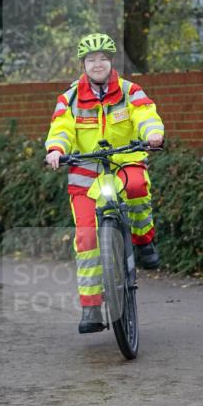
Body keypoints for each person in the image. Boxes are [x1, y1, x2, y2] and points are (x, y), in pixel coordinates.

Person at [45, 33, 164, 333]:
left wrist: (153, 134)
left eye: (103, 58)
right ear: (83, 64)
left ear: (112, 62)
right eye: (91, 59)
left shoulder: (130, 91)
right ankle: (91, 308)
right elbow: (61, 128)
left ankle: (143, 239)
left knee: (138, 187)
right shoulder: (69, 98)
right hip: (86, 175)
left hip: (124, 164)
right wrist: (56, 150)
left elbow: (146, 114)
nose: (97, 64)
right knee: (86, 239)